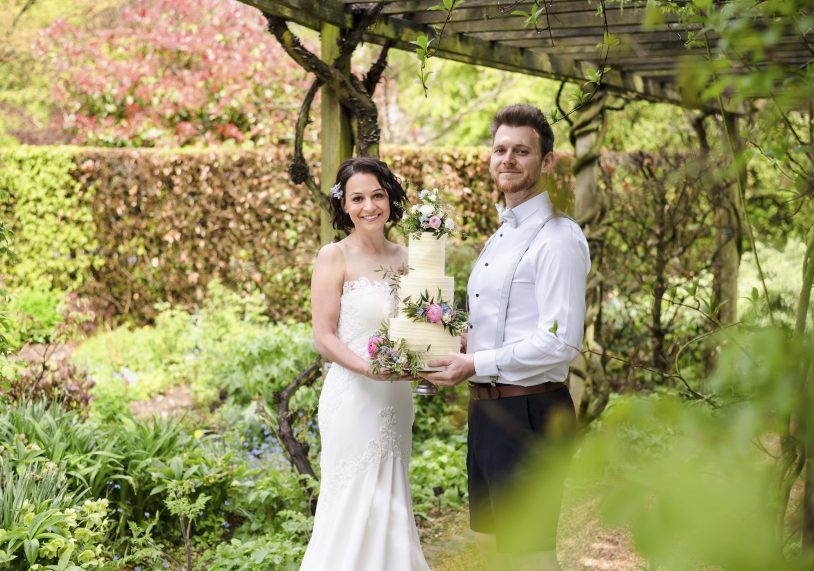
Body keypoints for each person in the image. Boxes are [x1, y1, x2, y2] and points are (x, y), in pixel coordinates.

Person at [423, 104, 591, 570]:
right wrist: (463, 347)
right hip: (490, 412)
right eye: (500, 150)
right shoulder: (500, 236)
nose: (509, 160)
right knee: (499, 554)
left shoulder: (558, 237)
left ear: (547, 162)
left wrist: (474, 364)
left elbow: (560, 343)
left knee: (531, 558)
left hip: (531, 412)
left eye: (522, 151)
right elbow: (501, 325)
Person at [300, 157, 429, 571]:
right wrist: (368, 368)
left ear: (390, 197)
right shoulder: (333, 256)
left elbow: (424, 324)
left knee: (392, 500)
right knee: (353, 501)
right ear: (344, 205)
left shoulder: (410, 257)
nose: (369, 206)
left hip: (397, 397)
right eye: (358, 198)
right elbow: (324, 337)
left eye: (377, 194)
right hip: (353, 398)